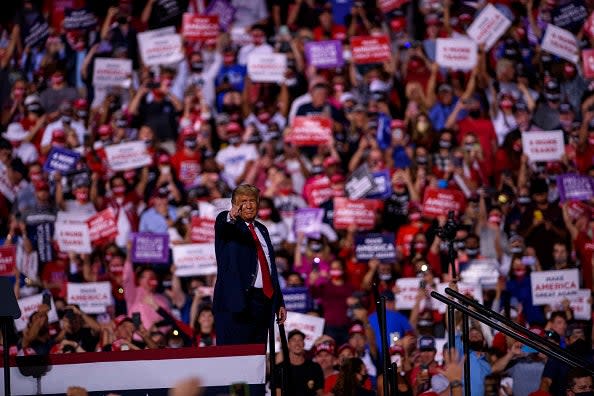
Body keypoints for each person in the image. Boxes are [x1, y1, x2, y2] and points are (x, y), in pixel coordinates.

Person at [213, 184, 286, 345]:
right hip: (238, 302)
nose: (248, 205)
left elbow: (269, 267)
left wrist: (278, 301)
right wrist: (231, 216)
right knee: (235, 356)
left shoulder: (262, 229)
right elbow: (223, 224)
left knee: (258, 356)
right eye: (243, 201)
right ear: (234, 204)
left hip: (263, 302)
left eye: (252, 201)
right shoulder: (228, 224)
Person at [275, 329, 324, 396]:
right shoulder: (280, 369)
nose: (297, 343)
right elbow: (278, 393)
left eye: (300, 340)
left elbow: (320, 393)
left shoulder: (315, 367)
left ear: (304, 344)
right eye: (293, 340)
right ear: (288, 344)